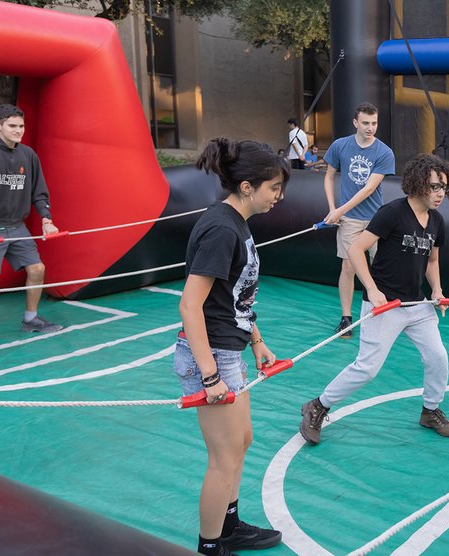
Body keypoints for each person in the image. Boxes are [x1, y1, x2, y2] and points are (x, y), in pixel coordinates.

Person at [176, 138, 287, 556]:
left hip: (230, 348)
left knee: (242, 441)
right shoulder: (223, 228)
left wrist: (257, 342)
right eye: (273, 187)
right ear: (246, 186)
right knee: (223, 457)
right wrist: (210, 376)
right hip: (214, 355)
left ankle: (229, 525)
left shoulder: (237, 223)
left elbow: (235, 297)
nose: (279, 196)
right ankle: (210, 547)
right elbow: (191, 305)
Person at [300, 153, 449, 444]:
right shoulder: (392, 213)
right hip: (385, 305)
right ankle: (317, 406)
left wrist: (437, 291)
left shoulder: (437, 222)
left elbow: (432, 261)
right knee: (367, 368)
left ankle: (430, 411)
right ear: (419, 184)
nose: (440, 193)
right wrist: (371, 289)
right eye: (435, 187)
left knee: (438, 357)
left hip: (418, 305)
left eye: (444, 188)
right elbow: (356, 250)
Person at [0, 104, 63, 333]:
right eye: (12, 126)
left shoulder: (28, 155)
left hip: (16, 227)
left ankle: (30, 320)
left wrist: (46, 220)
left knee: (37, 269)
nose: (18, 130)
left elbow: (39, 192)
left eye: (21, 126)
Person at [322, 102, 395, 338]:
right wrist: (333, 209)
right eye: (365, 123)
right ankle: (346, 319)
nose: (370, 127)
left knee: (377, 268)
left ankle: (381, 312)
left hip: (375, 220)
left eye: (374, 123)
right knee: (348, 266)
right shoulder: (340, 146)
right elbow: (328, 177)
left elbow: (368, 189)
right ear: (355, 122)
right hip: (349, 220)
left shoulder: (384, 152)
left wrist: (338, 211)